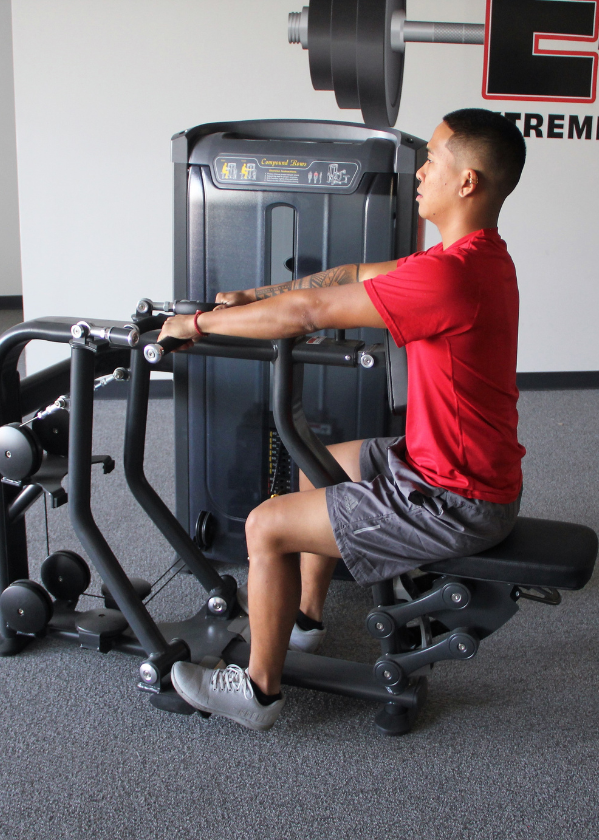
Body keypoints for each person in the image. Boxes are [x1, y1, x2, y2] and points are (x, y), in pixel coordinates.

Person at [158, 108, 527, 731]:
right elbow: (353, 276)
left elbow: (310, 314)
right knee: (316, 465)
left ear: (467, 182)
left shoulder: (452, 278)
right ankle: (303, 619)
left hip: (454, 498)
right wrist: (255, 297)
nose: (422, 171)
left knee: (265, 525)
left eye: (433, 159)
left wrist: (194, 327)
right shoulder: (472, 257)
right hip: (445, 465)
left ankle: (259, 693)